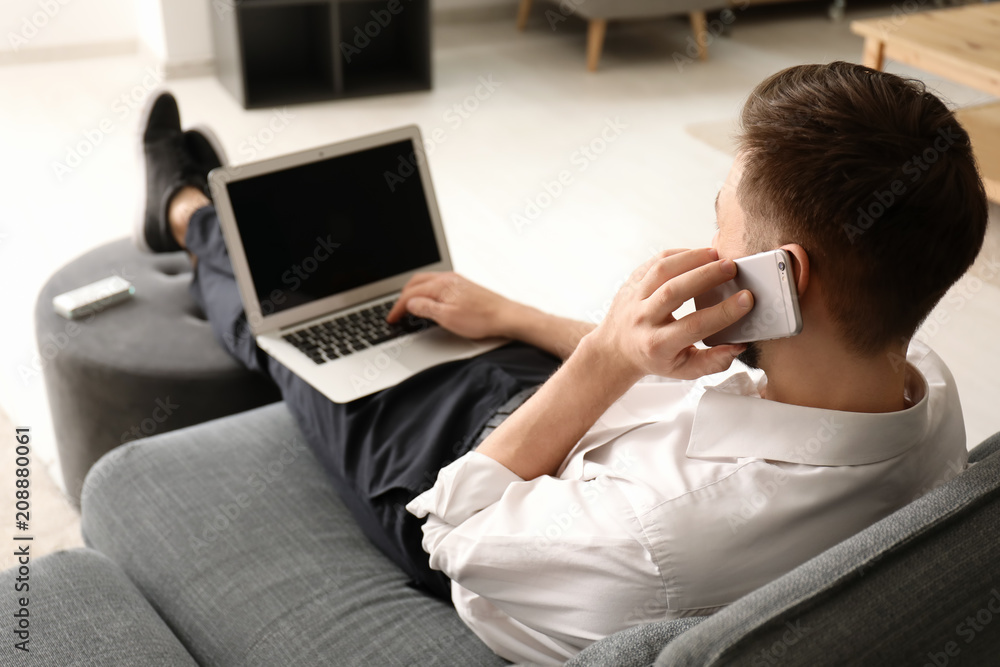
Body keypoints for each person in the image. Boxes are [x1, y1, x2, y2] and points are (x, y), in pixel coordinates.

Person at [137, 61, 988, 664]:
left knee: (291, 335)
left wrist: (603, 358)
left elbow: (455, 529)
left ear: (784, 278)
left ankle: (186, 211)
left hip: (464, 482)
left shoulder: (656, 539)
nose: (710, 237)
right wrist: (527, 320)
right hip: (573, 431)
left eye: (720, 215)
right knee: (436, 310)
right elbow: (668, 394)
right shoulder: (922, 388)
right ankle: (212, 212)